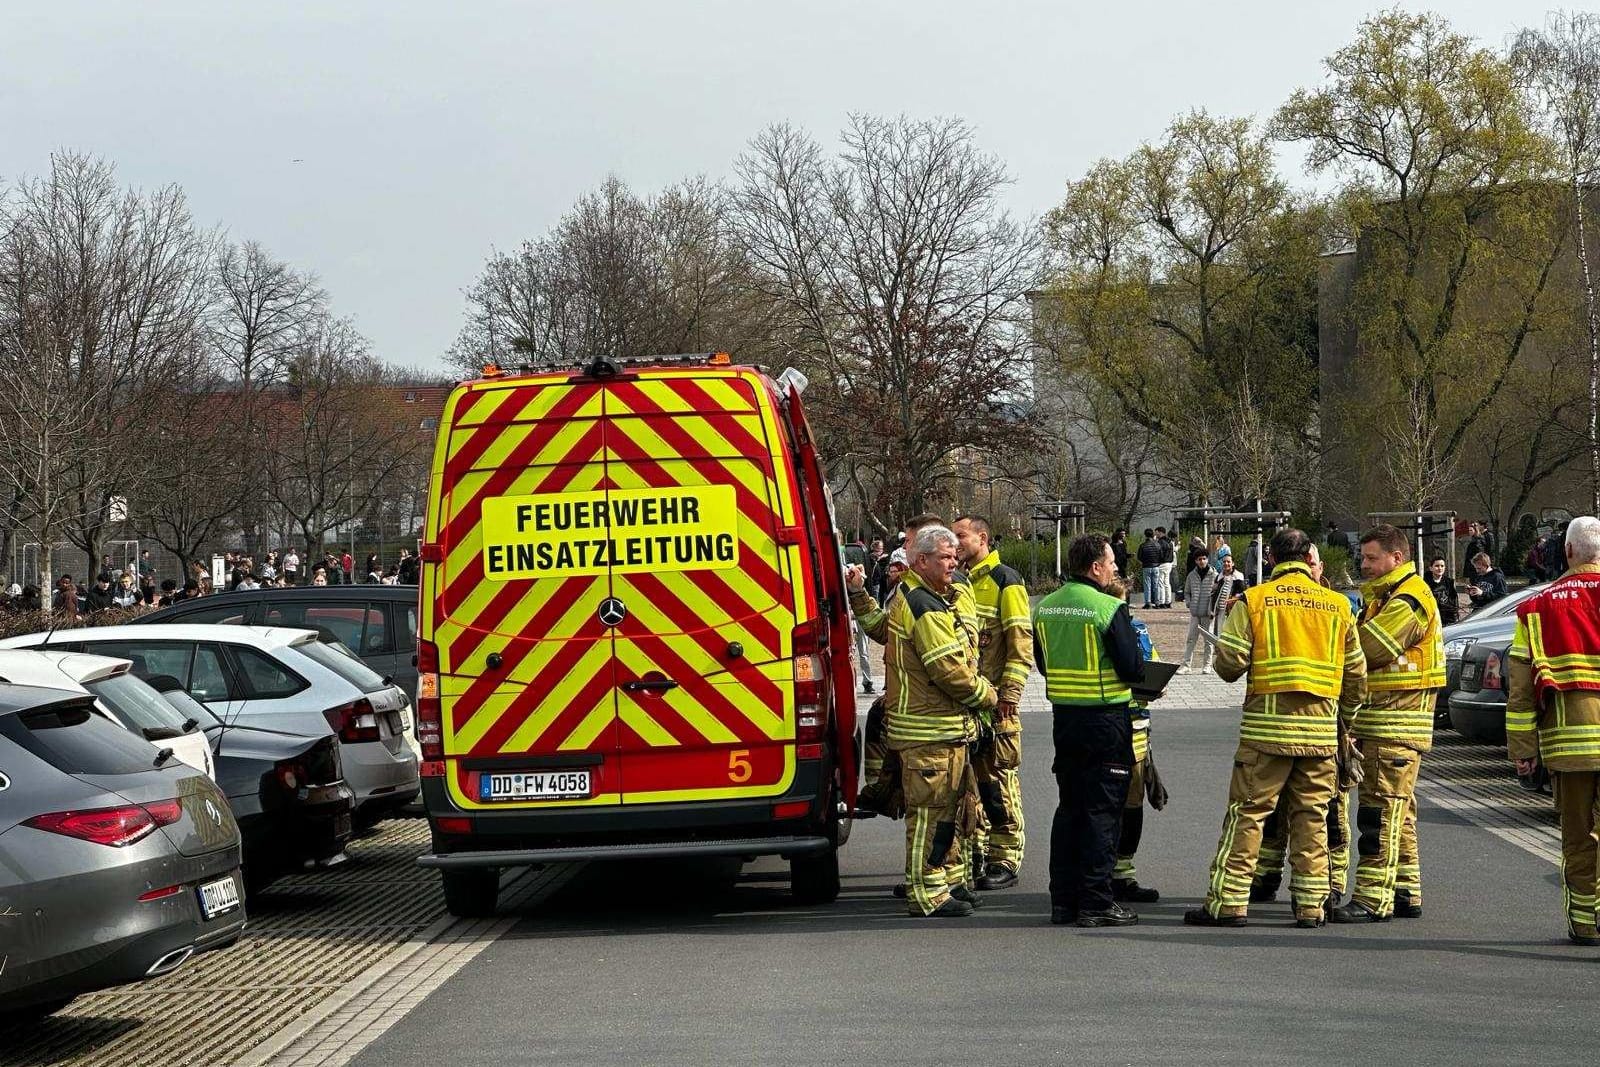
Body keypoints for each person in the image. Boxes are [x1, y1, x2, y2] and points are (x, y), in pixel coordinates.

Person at [1185, 528, 1366, 929]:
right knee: (1312, 818)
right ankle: (1310, 907)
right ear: (1309, 558)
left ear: (1271, 561)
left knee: (1248, 816)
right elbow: (1356, 676)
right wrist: (1346, 725)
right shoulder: (1338, 607)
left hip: (1265, 737)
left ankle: (1229, 904)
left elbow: (1229, 666)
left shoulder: (1253, 601)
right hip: (1319, 739)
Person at [1329, 524, 1445, 923]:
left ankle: (1372, 898)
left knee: (1379, 814)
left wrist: (1329, 638)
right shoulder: (1386, 597)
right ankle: (1405, 891)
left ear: (1398, 557)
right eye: (1363, 558)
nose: (1365, 565)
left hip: (1395, 726)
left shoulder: (1408, 598)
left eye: (1371, 558)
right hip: (1388, 725)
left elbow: (1369, 648)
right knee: (1401, 812)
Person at [883, 525, 996, 918]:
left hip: (944, 729)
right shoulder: (923, 605)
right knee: (929, 817)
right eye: (945, 557)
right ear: (921, 561)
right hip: (928, 731)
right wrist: (988, 695)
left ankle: (942, 884)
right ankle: (926, 893)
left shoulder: (929, 597)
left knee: (946, 814)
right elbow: (948, 669)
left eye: (954, 556)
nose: (954, 562)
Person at [1034, 532, 1147, 928]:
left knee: (1070, 810)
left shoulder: (1045, 608)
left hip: (1064, 721)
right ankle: (1097, 902)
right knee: (1102, 813)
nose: (1116, 567)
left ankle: (1063, 901)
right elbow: (1133, 668)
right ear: (1096, 567)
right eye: (1112, 561)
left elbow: (1044, 665)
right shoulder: (1107, 608)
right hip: (1105, 721)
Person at [1506, 515, 1600, 945]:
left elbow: (1522, 690)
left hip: (1570, 746)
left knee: (1579, 839)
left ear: (1566, 553)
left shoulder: (1538, 609)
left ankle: (1583, 923)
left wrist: (1523, 748)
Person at [951, 515, 1032, 890]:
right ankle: (980, 852)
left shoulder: (1005, 581)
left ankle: (1006, 856)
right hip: (969, 705)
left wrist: (1009, 697)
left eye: (960, 536)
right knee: (974, 786)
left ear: (982, 538)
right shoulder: (959, 581)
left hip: (997, 705)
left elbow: (1020, 644)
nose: (955, 542)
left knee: (1000, 785)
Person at [1113, 611, 1166, 903]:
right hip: (1123, 730)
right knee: (1122, 807)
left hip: (1131, 731)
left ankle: (1118, 873)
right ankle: (1114, 874)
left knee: (1128, 807)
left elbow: (1153, 665)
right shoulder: (1134, 629)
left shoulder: (1136, 628)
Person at [1180, 551, 1218, 673]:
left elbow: (1217, 594)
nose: (1202, 561)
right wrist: (1189, 603)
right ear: (1196, 561)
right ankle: (1186, 665)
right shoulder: (1191, 575)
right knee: (1191, 639)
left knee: (1208, 641)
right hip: (1195, 613)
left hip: (1208, 614)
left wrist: (1213, 609)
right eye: (1199, 559)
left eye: (1204, 559)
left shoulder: (1215, 575)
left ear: (1207, 559)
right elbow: (1186, 592)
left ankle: (1207, 665)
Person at [1422, 555, 1459, 626]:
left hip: (1447, 619)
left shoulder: (1449, 582)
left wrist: (1455, 618)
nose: (1440, 568)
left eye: (1442, 566)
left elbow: (1454, 601)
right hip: (1431, 618)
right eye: (1437, 566)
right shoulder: (1424, 583)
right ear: (1431, 568)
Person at [1136, 529, 1163, 609]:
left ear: (1145, 535)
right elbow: (1161, 556)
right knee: (1156, 585)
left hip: (1146, 566)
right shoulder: (1158, 544)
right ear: (1153, 535)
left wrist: (1144, 561)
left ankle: (1148, 603)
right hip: (1156, 566)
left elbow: (1139, 557)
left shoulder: (1143, 545)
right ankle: (1157, 602)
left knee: (1147, 585)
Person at [1156, 527, 1177, 607]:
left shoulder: (1160, 542)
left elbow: (1160, 554)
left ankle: (1161, 602)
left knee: (1160, 583)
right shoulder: (1170, 542)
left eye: (1157, 532)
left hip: (1162, 563)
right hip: (1169, 563)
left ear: (1160, 532)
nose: (1156, 534)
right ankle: (1168, 601)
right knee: (1167, 583)